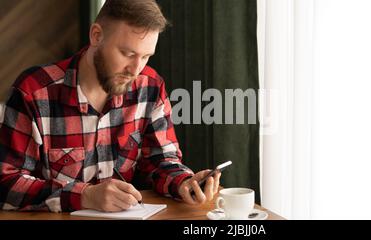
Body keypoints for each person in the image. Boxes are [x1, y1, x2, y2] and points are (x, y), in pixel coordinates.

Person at [0, 0, 220, 213]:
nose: (136, 69)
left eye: (145, 56)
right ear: (96, 35)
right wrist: (85, 196)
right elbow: (6, 183)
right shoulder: (33, 92)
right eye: (128, 54)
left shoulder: (150, 87)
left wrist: (183, 181)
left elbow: (160, 160)